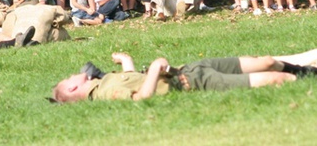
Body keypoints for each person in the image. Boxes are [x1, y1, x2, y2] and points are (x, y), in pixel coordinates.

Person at [51, 52, 302, 103]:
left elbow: (130, 79)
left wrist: (126, 61)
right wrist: (154, 69)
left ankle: (312, 72)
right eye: (70, 77)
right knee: (274, 78)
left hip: (190, 68)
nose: (75, 74)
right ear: (73, 88)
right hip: (194, 83)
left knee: (267, 61)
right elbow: (141, 97)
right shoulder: (105, 94)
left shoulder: (102, 82)